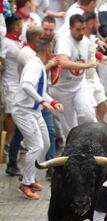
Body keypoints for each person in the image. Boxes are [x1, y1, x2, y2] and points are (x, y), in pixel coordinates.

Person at [14, 38, 64, 200]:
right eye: (53, 48)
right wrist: (42, 101)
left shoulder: (39, 65)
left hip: (34, 110)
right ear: (48, 49)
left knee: (46, 143)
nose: (54, 52)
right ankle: (26, 184)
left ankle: (30, 178)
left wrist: (53, 102)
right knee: (36, 146)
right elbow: (26, 85)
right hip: (23, 110)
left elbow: (38, 90)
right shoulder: (35, 66)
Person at [50, 14, 97, 137]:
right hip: (61, 89)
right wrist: (86, 66)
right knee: (69, 127)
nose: (81, 32)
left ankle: (86, 141)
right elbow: (64, 63)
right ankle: (73, 149)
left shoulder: (86, 42)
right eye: (78, 30)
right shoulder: (64, 40)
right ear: (70, 28)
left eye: (83, 29)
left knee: (88, 115)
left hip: (79, 85)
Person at [2, 13, 23, 177]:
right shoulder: (6, 42)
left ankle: (15, 141)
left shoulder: (18, 41)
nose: (21, 27)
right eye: (19, 25)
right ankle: (8, 142)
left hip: (20, 83)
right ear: (14, 26)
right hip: (9, 83)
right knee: (10, 114)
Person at [83, 10, 107, 122]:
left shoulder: (91, 38)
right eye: (97, 22)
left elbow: (92, 47)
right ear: (91, 24)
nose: (98, 25)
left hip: (94, 77)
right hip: (84, 80)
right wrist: (91, 64)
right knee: (90, 111)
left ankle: (98, 128)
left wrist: (100, 56)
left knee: (103, 105)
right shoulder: (81, 40)